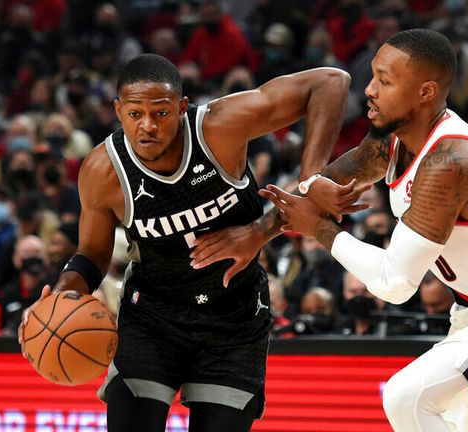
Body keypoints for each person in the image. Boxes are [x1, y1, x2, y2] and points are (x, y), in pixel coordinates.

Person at [191, 29, 468, 431]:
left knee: (406, 398)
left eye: (385, 80)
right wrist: (260, 231)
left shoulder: (451, 160)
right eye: (373, 76)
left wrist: (321, 232)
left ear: (425, 91)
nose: (369, 90)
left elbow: (396, 283)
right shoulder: (392, 141)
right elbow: (325, 187)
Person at [18, 53, 358, 432]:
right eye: (135, 114)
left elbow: (331, 81)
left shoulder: (218, 127)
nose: (147, 125)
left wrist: (298, 191)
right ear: (118, 111)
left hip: (234, 318)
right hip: (153, 317)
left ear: (181, 107)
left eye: (161, 113)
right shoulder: (103, 171)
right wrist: (60, 296)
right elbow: (93, 255)